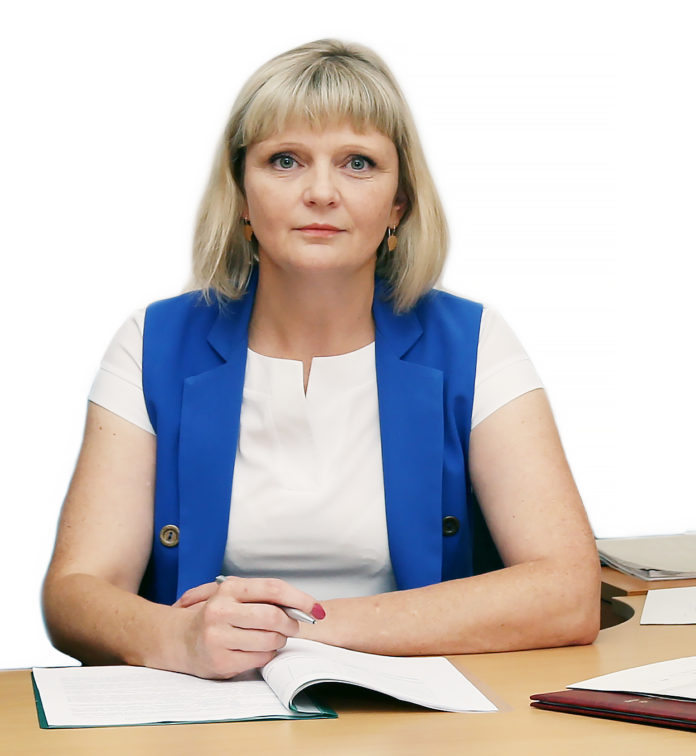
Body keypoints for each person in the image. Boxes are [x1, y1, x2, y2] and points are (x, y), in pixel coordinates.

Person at [42, 39, 600, 680]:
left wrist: (296, 630)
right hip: (206, 707)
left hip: (412, 703)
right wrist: (176, 636)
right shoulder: (151, 342)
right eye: (285, 160)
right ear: (241, 195)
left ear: (398, 203)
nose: (321, 192)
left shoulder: (474, 342)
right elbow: (75, 594)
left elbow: (567, 592)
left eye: (358, 163)